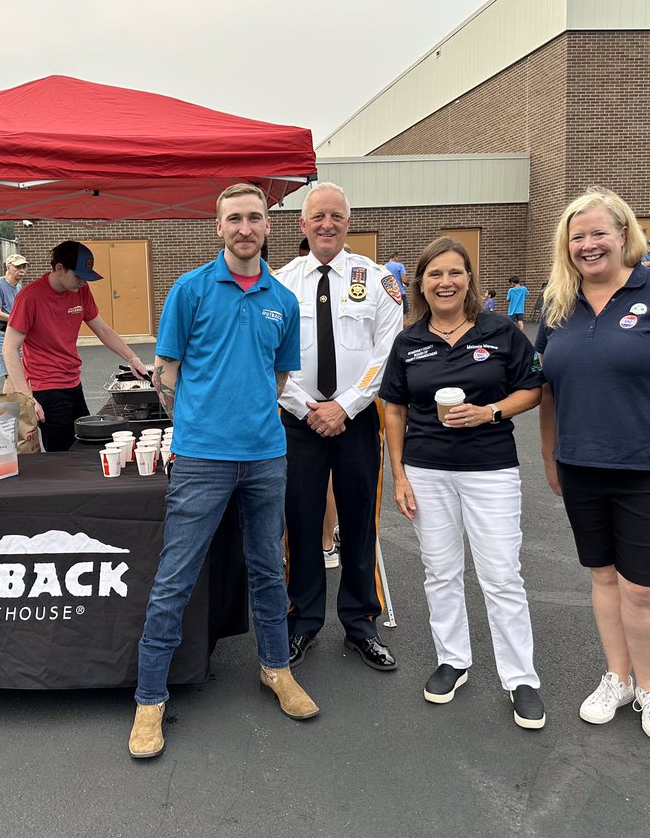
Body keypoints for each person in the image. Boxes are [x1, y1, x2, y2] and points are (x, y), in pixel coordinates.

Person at [129, 183, 315, 759]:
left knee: (267, 569)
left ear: (268, 226)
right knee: (175, 578)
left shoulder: (282, 300)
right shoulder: (189, 290)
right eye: (234, 218)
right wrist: (198, 422)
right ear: (218, 227)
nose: (245, 227)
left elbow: (280, 378)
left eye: (255, 218)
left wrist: (245, 412)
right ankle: (150, 698)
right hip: (202, 458)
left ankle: (276, 669)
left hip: (265, 455)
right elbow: (166, 371)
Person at [537, 186, 650, 744]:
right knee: (604, 577)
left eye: (598, 234)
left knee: (643, 588)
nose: (587, 245)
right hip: (581, 466)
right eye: (577, 235)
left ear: (623, 235)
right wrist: (550, 457)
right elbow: (548, 392)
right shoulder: (556, 305)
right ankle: (617, 676)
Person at [382, 237, 546, 729]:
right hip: (427, 470)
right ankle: (453, 660)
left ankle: (521, 678)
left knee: (500, 574)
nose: (445, 282)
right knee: (440, 571)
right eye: (435, 274)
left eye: (455, 273)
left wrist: (491, 410)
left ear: (469, 279)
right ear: (421, 284)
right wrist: (399, 475)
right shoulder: (409, 341)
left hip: (490, 468)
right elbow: (393, 408)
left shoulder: (500, 331)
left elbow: (533, 388)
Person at [275, 182, 402, 673]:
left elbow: (384, 352)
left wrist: (345, 407)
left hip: (356, 420)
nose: (327, 224)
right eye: (318, 216)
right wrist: (305, 406)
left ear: (349, 223)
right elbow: (271, 356)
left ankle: (360, 624)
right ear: (302, 225)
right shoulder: (281, 283)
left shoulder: (376, 280)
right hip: (298, 419)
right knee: (301, 523)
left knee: (359, 522)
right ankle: (301, 621)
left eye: (337, 216)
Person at [3, 241, 148, 452]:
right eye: (78, 276)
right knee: (63, 455)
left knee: (86, 444)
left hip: (73, 383)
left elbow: (103, 330)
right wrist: (28, 398)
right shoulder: (30, 297)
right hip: (47, 387)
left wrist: (132, 358)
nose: (82, 282)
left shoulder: (80, 291)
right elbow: (9, 349)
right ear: (59, 268)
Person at [0, 254, 29, 381]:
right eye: (17, 267)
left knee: (21, 376)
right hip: (0, 334)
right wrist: (19, 319)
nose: (22, 270)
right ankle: (9, 401)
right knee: (11, 378)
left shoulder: (19, 287)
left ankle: (19, 401)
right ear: (8, 267)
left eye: (24, 267)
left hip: (15, 334)